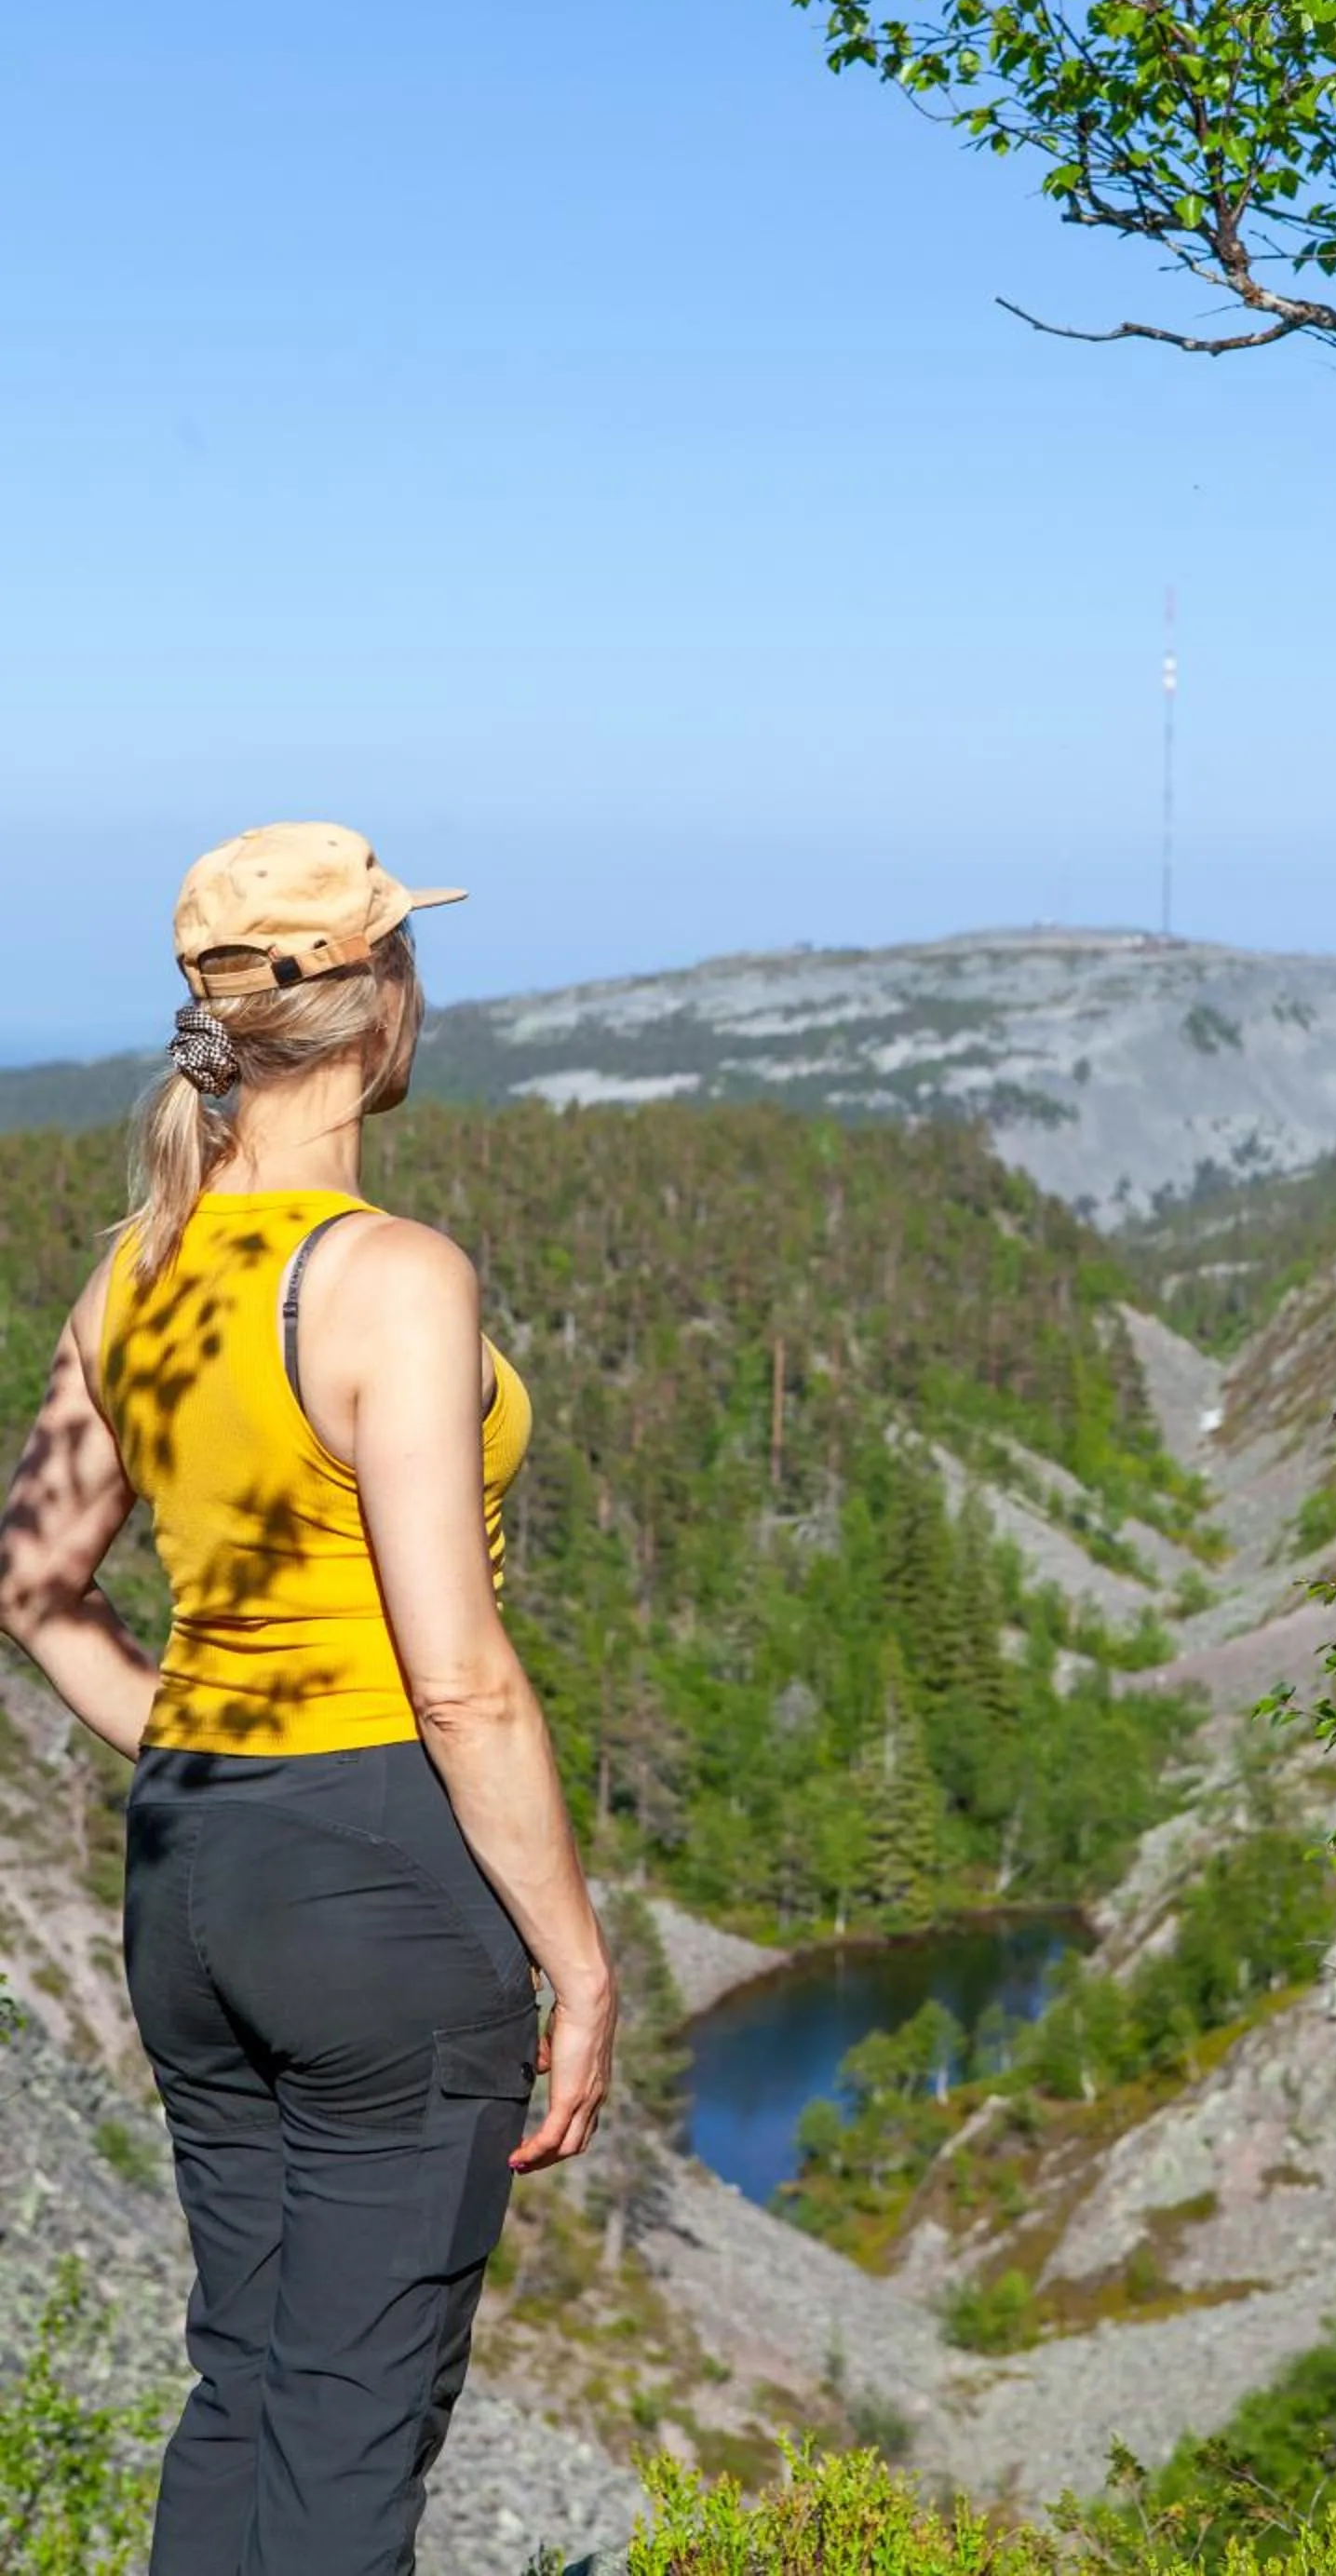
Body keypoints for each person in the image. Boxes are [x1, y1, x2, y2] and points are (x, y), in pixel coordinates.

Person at [0, 821, 616, 2576]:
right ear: (379, 1000)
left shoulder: (133, 1274)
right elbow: (461, 1683)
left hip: (192, 1867)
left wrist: (207, 1733)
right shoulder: (390, 1277)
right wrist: (579, 1964)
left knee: (250, 2381)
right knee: (353, 2421)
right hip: (380, 1880)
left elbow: (32, 1588)